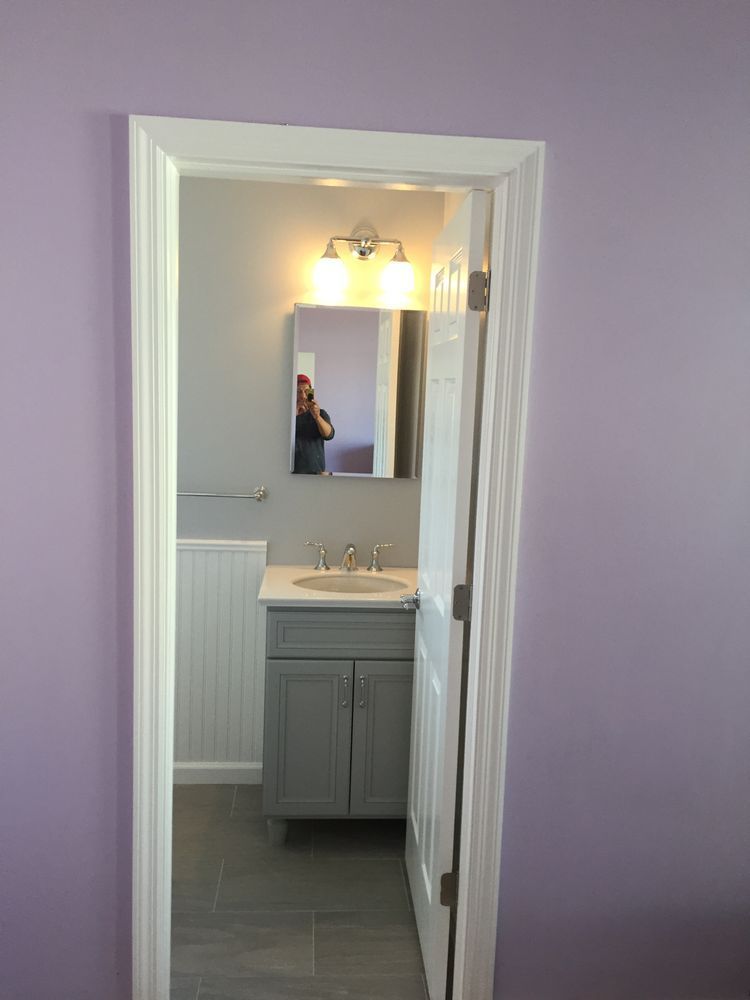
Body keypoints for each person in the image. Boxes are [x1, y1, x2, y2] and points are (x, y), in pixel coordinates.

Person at [293, 373, 335, 474]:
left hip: (315, 473)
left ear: (311, 393)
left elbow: (329, 435)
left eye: (306, 391)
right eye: (298, 391)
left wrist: (317, 417)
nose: (303, 396)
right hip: (291, 473)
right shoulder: (286, 416)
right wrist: (293, 415)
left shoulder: (321, 413)